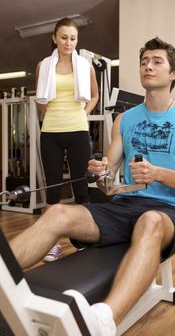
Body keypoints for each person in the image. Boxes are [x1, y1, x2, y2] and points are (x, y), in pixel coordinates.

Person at [10, 36, 175, 335]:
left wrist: (157, 173)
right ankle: (3, 278)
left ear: (173, 73)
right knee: (58, 214)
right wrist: (101, 170)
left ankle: (104, 319)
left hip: (170, 211)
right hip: (125, 207)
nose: (148, 67)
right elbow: (108, 177)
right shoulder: (124, 120)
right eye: (144, 62)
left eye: (157, 62)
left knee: (150, 221)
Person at [35, 17, 99, 261]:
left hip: (78, 130)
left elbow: (94, 96)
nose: (68, 42)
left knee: (81, 187)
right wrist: (51, 116)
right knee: (52, 190)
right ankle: (52, 242)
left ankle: (86, 238)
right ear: (54, 38)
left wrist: (82, 113)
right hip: (50, 132)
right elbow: (41, 100)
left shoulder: (86, 66)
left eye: (73, 38)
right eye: (63, 37)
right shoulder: (43, 65)